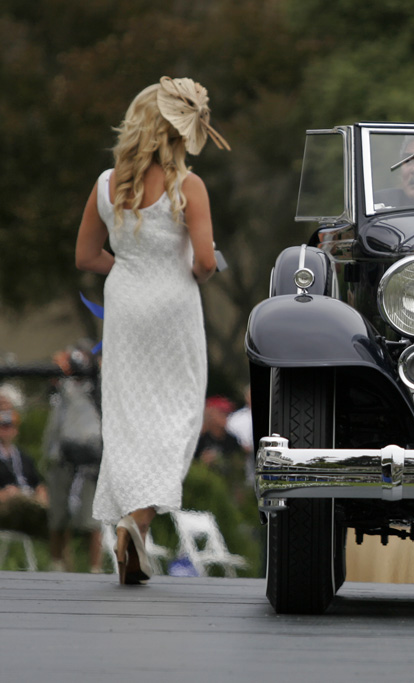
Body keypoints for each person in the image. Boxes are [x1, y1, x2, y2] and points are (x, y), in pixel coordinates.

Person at [75, 76, 229, 585]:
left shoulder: (105, 183)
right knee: (178, 413)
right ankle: (136, 523)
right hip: (172, 308)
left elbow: (85, 256)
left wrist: (127, 268)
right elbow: (204, 262)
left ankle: (129, 524)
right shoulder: (189, 187)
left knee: (128, 414)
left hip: (125, 305)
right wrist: (194, 267)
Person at [44, 342, 104, 572]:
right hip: (62, 456)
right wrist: (61, 364)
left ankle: (94, 567)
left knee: (91, 518)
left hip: (89, 458)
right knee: (58, 515)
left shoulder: (97, 387)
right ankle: (57, 563)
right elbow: (54, 373)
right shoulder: (64, 387)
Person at [0, 404, 49, 538]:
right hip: (7, 507)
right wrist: (6, 494)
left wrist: (40, 495)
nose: (7, 430)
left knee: (51, 503)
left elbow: (38, 483)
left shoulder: (24, 457)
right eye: (3, 426)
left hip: (28, 504)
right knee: (19, 499)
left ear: (16, 430)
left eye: (11, 426)